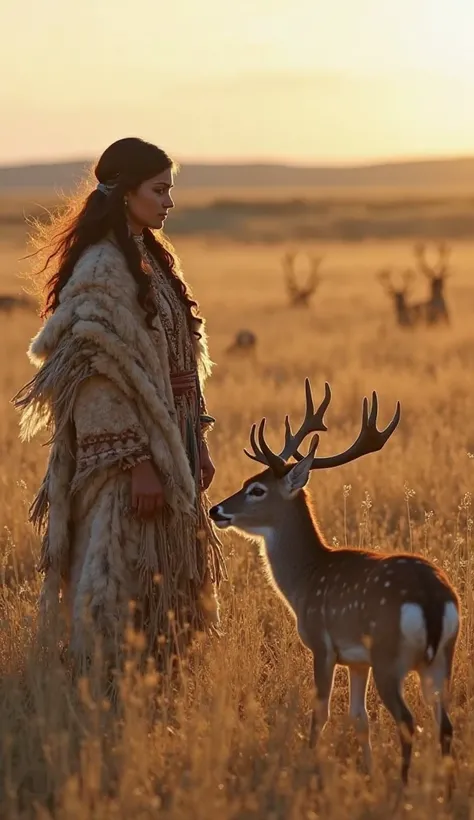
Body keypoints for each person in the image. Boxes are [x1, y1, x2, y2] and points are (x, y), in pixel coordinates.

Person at [14, 137, 226, 681]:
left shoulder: (152, 256)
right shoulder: (103, 267)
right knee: (117, 574)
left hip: (171, 444)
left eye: (170, 190)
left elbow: (185, 360)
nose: (168, 202)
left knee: (165, 586)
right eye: (159, 190)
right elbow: (92, 376)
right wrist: (137, 461)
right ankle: (100, 696)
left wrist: (195, 438)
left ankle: (154, 689)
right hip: (125, 461)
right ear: (126, 191)